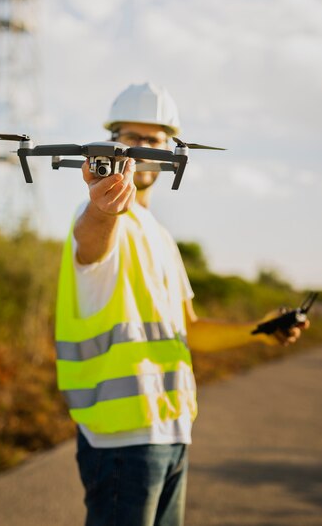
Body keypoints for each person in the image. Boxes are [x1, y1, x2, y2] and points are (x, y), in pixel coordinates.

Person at [55, 82, 308, 526]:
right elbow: (91, 242)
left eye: (154, 140)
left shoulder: (160, 235)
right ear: (112, 141)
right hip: (121, 441)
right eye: (131, 137)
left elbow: (187, 329)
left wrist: (260, 330)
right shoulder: (98, 215)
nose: (142, 149)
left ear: (169, 146)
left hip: (172, 433)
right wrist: (103, 210)